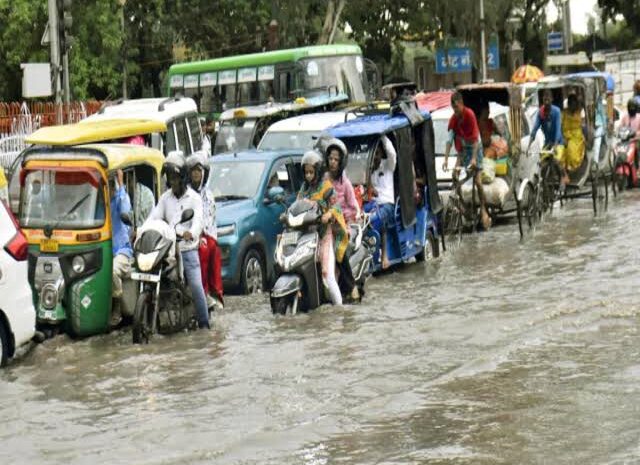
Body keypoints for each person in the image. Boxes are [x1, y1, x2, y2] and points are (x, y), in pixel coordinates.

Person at [146, 151, 210, 329]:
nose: (172, 182)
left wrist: (191, 232)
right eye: (170, 178)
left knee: (196, 287)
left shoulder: (195, 199)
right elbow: (154, 217)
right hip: (167, 248)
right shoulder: (165, 198)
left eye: (175, 178)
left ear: (182, 178)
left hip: (187, 248)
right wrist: (141, 230)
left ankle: (205, 325)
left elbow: (198, 222)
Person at [298, 150, 348, 305]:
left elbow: (337, 207)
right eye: (306, 173)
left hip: (323, 235)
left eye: (311, 172)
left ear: (317, 172)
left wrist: (329, 214)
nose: (308, 176)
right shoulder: (303, 189)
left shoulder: (326, 187)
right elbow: (296, 205)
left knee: (327, 274)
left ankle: (339, 309)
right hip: (306, 235)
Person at [442, 91, 491, 230]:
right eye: (453, 108)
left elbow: (476, 140)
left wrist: (474, 159)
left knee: (477, 181)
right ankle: (464, 208)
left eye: (456, 107)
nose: (455, 110)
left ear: (462, 104)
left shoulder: (470, 115)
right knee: (454, 177)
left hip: (475, 148)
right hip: (462, 151)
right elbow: (449, 140)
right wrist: (445, 159)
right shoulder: (454, 119)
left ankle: (483, 209)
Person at [323, 138, 360, 302]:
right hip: (324, 223)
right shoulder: (322, 179)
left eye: (336, 159)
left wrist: (341, 220)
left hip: (342, 226)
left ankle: (352, 286)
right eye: (330, 158)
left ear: (341, 162)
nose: (332, 162)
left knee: (339, 251)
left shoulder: (345, 184)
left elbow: (353, 207)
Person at [187, 151, 224, 312]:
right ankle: (203, 292)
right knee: (202, 250)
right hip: (188, 235)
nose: (196, 173)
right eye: (193, 170)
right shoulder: (186, 193)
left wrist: (206, 236)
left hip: (206, 234)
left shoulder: (208, 194)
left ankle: (216, 294)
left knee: (214, 249)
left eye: (199, 170)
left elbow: (210, 218)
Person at [366, 134, 397, 269]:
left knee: (374, 220)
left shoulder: (388, 165)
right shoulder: (367, 171)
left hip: (387, 205)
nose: (375, 158)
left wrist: (381, 135)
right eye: (373, 155)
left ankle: (383, 256)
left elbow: (391, 152)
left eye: (377, 154)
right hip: (371, 205)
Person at [110, 169, 133, 327]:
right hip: (105, 251)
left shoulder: (121, 199)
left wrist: (121, 184)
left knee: (112, 270)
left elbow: (125, 210)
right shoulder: (99, 205)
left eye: (111, 187)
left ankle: (116, 308)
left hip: (122, 252)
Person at [560, 93, 586, 184]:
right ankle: (563, 173)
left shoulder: (580, 112)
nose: (572, 105)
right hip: (565, 134)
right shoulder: (563, 112)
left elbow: (583, 124)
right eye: (570, 103)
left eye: (574, 103)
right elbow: (560, 125)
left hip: (577, 137)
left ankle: (569, 171)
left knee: (571, 149)